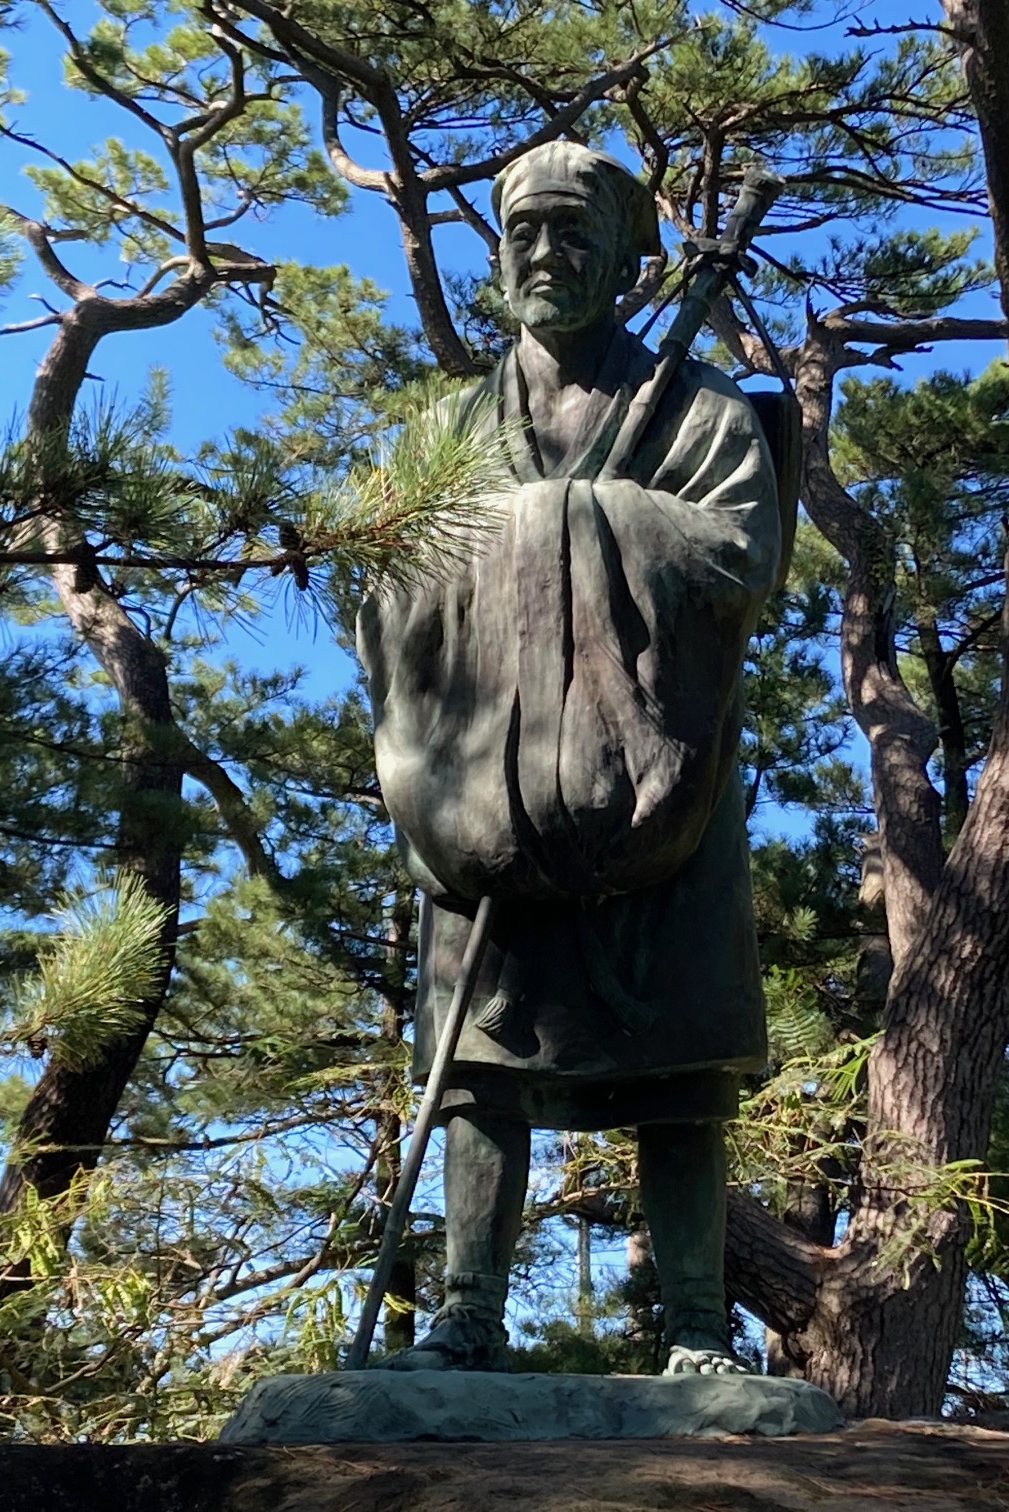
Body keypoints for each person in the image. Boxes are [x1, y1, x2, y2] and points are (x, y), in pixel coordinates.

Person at [356, 140, 783, 1375]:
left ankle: (697, 1325)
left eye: (575, 231)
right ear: (498, 256)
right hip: (486, 786)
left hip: (656, 782)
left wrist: (571, 526)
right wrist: (524, 538)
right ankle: (466, 1314)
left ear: (628, 257)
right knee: (480, 1062)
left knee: (680, 1067)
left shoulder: (698, 409)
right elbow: (386, 584)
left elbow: (739, 555)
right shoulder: (447, 430)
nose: (546, 253)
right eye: (524, 232)